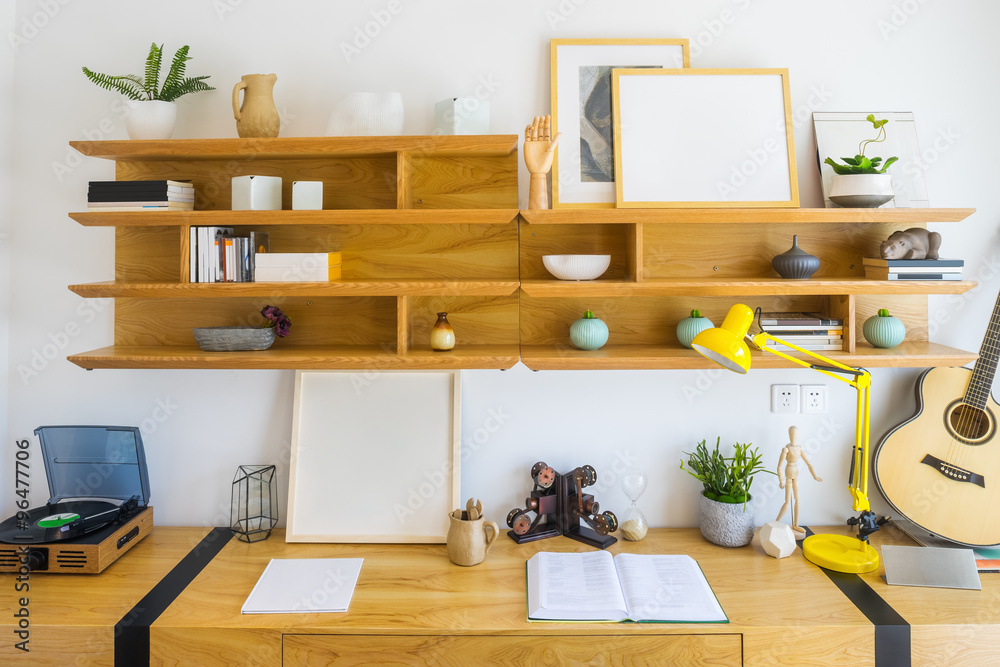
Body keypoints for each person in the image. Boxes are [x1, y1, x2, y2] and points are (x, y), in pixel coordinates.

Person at [776, 425, 822, 538]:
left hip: (795, 473)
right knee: (787, 501)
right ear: (789, 434)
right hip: (788, 473)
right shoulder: (786, 449)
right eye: (792, 433)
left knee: (797, 500)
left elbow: (808, 463)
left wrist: (815, 475)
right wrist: (781, 480)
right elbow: (779, 467)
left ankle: (795, 524)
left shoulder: (799, 448)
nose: (794, 436)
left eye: (795, 433)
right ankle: (776, 523)